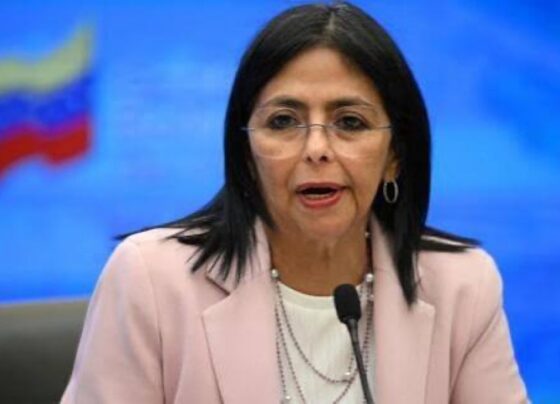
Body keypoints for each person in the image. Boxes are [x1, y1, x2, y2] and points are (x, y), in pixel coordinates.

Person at [61, 2, 529, 403]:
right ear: (246, 154)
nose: (316, 148)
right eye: (284, 121)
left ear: (394, 157)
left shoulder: (462, 286)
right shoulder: (151, 280)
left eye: (350, 122)